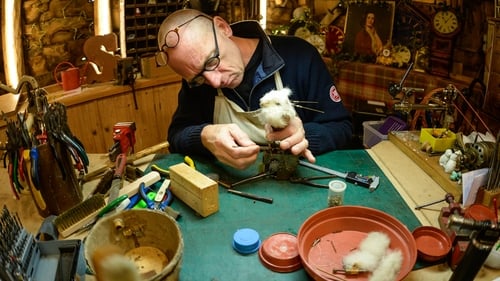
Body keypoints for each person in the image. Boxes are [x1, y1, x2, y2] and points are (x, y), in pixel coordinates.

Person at [156, 9, 352, 169]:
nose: (214, 82)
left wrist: (305, 137)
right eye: (199, 77)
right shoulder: (197, 81)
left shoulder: (300, 56)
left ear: (223, 28)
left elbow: (342, 128)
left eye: (212, 61)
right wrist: (205, 136)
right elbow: (176, 135)